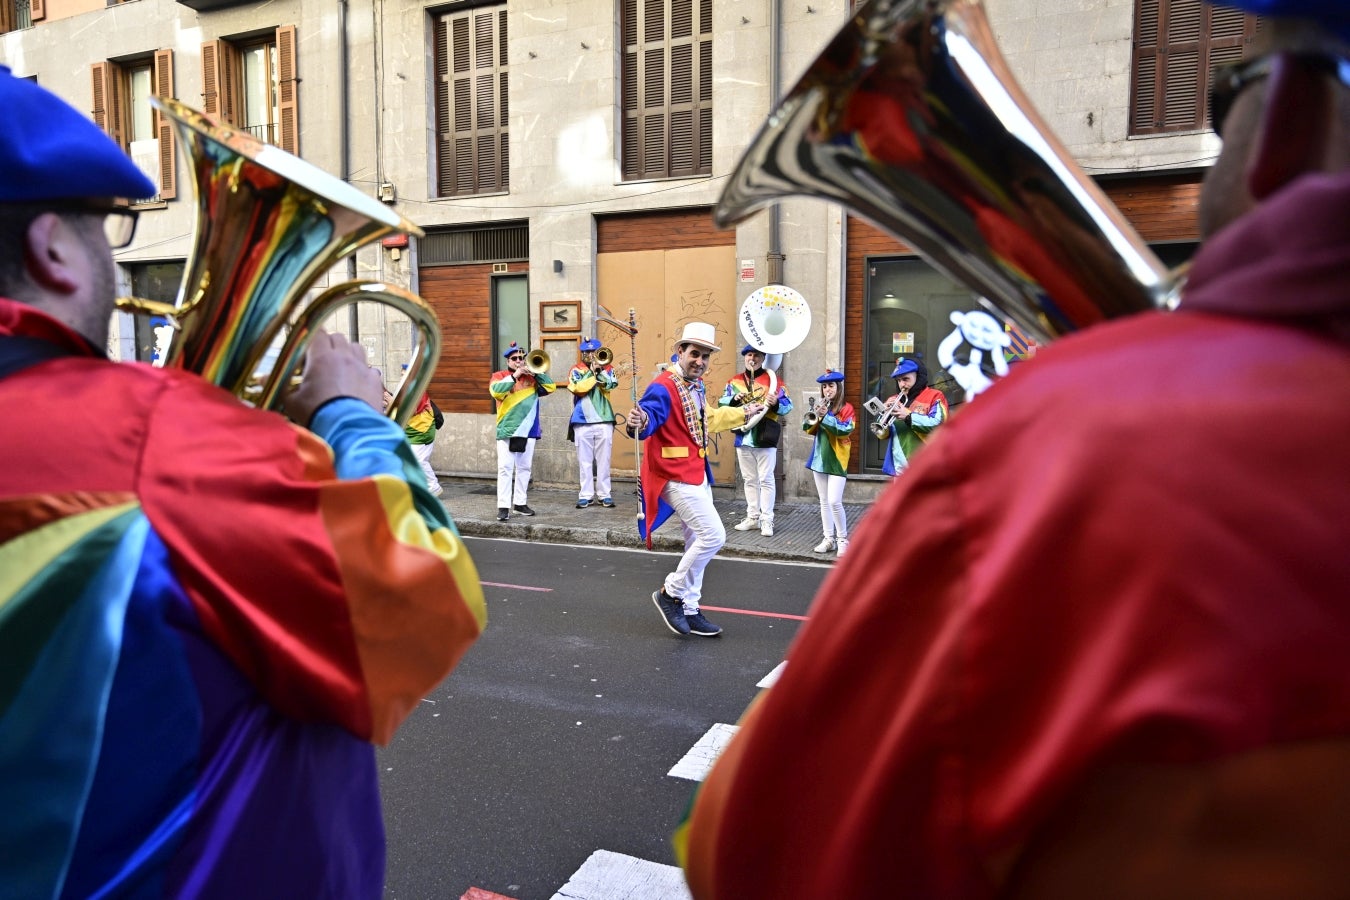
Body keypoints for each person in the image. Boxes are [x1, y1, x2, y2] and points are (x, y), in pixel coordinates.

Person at [680, 2, 1350, 896]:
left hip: (883, 474)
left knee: (819, 514)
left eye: (1230, 99)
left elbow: (759, 855)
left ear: (1292, 122)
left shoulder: (1056, 441)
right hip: (794, 460)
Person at [0, 67, 486, 898]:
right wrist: (351, 414)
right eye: (105, 235)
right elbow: (423, 606)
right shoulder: (156, 442)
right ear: (52, 249)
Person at [625, 322, 765, 638]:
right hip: (674, 476)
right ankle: (670, 593)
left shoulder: (696, 386)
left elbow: (710, 418)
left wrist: (745, 412)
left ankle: (689, 606)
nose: (699, 361)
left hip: (697, 473)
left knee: (695, 541)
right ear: (680, 352)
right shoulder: (663, 386)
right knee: (713, 536)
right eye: (694, 354)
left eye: (704, 356)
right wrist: (639, 421)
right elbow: (648, 417)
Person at [720, 345, 792, 537]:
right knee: (749, 480)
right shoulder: (734, 381)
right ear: (744, 357)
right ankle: (752, 517)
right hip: (743, 436)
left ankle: (767, 519)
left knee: (766, 480)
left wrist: (775, 402)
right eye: (749, 355)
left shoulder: (774, 381)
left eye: (757, 355)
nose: (753, 358)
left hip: (765, 436)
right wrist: (734, 399)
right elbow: (721, 403)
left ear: (763, 358)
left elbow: (787, 406)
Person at [489, 341, 556, 521]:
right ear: (508, 361)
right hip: (508, 428)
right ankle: (503, 506)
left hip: (529, 429)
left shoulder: (533, 378)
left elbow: (551, 387)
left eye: (521, 358)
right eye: (514, 359)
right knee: (505, 468)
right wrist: (515, 376)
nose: (518, 361)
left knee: (524, 468)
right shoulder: (499, 376)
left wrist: (537, 373)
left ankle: (520, 503)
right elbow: (495, 392)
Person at [802, 369, 855, 557]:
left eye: (831, 386)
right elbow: (807, 428)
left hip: (838, 460)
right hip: (820, 458)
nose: (827, 390)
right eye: (824, 387)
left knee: (834, 501)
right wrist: (816, 415)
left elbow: (845, 430)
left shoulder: (847, 408)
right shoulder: (820, 406)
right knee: (824, 501)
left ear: (838, 387)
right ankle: (828, 538)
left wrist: (826, 417)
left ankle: (843, 539)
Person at [568, 337, 619, 509]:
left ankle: (605, 495)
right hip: (582, 420)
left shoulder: (608, 369)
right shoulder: (576, 370)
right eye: (587, 352)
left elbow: (611, 385)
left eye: (593, 352)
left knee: (604, 460)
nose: (590, 355)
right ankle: (586, 495)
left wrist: (600, 371)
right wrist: (591, 372)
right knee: (585, 460)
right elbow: (578, 388)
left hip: (604, 418)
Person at [879, 356, 948, 476]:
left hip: (927, 468)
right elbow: (882, 435)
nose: (902, 384)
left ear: (918, 377)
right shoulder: (894, 399)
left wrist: (908, 416)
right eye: (899, 380)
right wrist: (884, 418)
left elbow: (938, 424)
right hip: (900, 468)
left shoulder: (935, 395)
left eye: (906, 379)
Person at [387, 367, 443, 497]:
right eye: (401, 375)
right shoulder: (406, 390)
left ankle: (434, 487)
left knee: (419, 460)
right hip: (412, 431)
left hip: (422, 430)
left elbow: (410, 410)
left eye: (405, 375)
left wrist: (390, 402)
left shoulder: (416, 389)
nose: (402, 378)